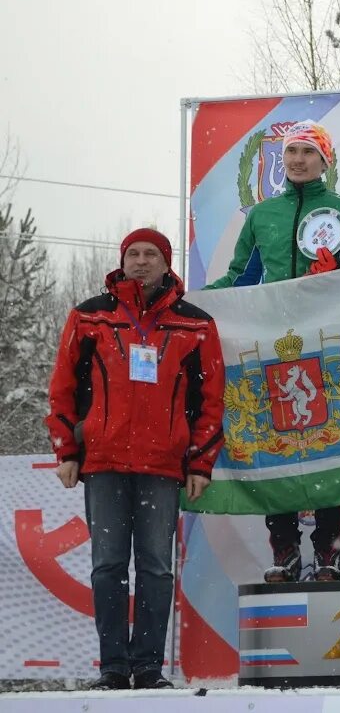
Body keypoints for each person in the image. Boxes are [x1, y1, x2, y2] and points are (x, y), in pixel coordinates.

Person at [47, 229, 224, 690]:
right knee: (107, 564)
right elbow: (63, 388)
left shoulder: (195, 323)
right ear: (122, 261)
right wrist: (68, 450)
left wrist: (201, 462)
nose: (141, 261)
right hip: (103, 462)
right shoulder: (90, 316)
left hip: (162, 467)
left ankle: (148, 668)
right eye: (133, 254)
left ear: (167, 263)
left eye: (151, 255)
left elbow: (211, 399)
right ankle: (112, 667)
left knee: (155, 566)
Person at [206, 120, 340, 582]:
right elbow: (239, 278)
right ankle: (286, 551)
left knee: (329, 446)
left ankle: (329, 554)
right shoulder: (261, 215)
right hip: (276, 344)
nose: (297, 160)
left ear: (324, 160)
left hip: (330, 344)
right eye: (291, 152)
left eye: (307, 153)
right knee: (279, 445)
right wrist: (191, 300)